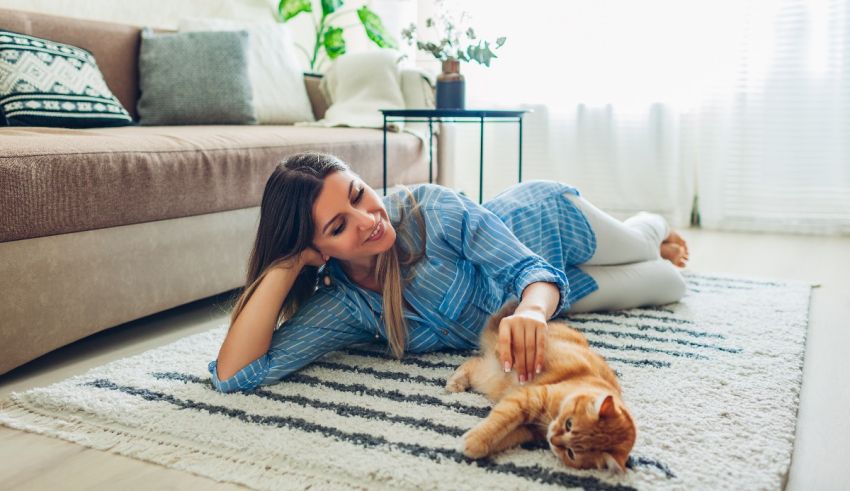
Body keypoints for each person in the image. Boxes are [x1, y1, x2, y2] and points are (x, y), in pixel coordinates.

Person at [210, 152, 689, 393]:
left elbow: (529, 269)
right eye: (338, 226)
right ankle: (654, 249)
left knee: (642, 245)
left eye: (358, 195)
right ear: (318, 250)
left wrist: (533, 313)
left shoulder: (431, 209)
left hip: (549, 227)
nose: (368, 220)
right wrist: (286, 265)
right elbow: (236, 374)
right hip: (563, 291)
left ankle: (651, 225)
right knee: (670, 283)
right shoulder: (345, 303)